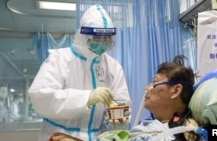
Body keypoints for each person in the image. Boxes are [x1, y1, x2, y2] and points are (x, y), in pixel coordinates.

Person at [28, 4, 131, 141]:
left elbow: (122, 102)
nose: (102, 43)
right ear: (83, 36)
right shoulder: (60, 59)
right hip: (60, 136)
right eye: (97, 38)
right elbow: (41, 98)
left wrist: (120, 120)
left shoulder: (113, 66)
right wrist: (86, 98)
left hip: (98, 137)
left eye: (106, 39)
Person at [47, 55, 201, 141]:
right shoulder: (150, 126)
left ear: (175, 91)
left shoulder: (172, 134)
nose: (146, 88)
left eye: (154, 82)